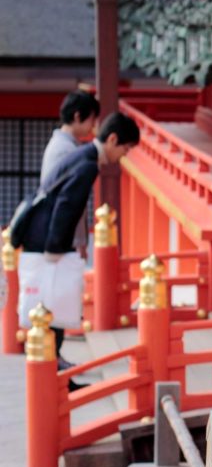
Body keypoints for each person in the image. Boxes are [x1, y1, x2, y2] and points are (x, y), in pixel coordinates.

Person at [21, 111, 140, 377]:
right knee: (54, 299)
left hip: (42, 236)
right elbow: (65, 206)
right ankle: (52, 365)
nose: (124, 156)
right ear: (112, 139)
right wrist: (55, 249)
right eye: (126, 149)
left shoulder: (82, 156)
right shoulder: (87, 164)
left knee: (53, 300)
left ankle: (53, 361)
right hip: (47, 241)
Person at [40, 90, 100, 258]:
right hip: (64, 241)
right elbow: (68, 201)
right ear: (77, 116)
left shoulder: (62, 146)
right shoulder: (66, 150)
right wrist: (78, 242)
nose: (93, 125)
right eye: (92, 119)